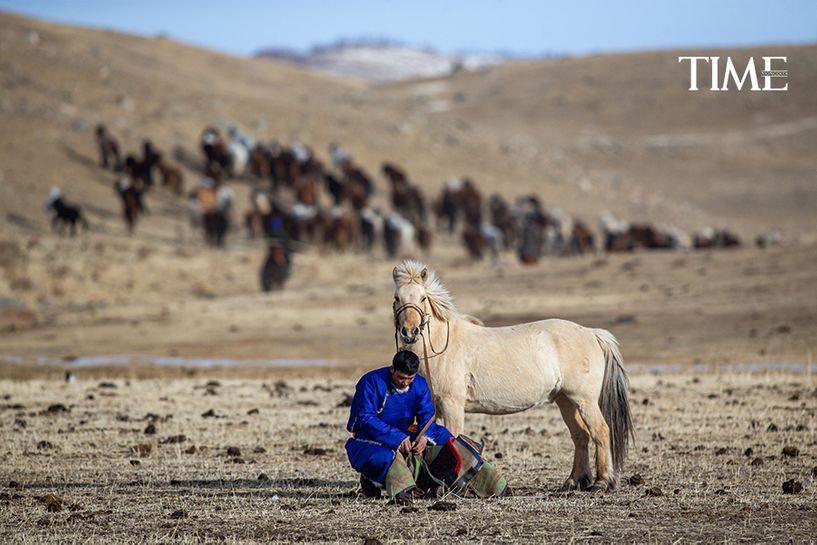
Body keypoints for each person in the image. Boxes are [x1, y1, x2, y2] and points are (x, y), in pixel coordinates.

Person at [345, 350, 509, 503]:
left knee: (448, 439)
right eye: (402, 378)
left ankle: (488, 482)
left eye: (411, 378)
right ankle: (392, 484)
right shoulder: (371, 382)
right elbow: (364, 418)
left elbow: (427, 415)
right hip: (372, 436)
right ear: (392, 369)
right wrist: (397, 438)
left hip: (407, 433)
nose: (406, 383)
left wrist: (424, 437)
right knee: (383, 456)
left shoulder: (419, 384)